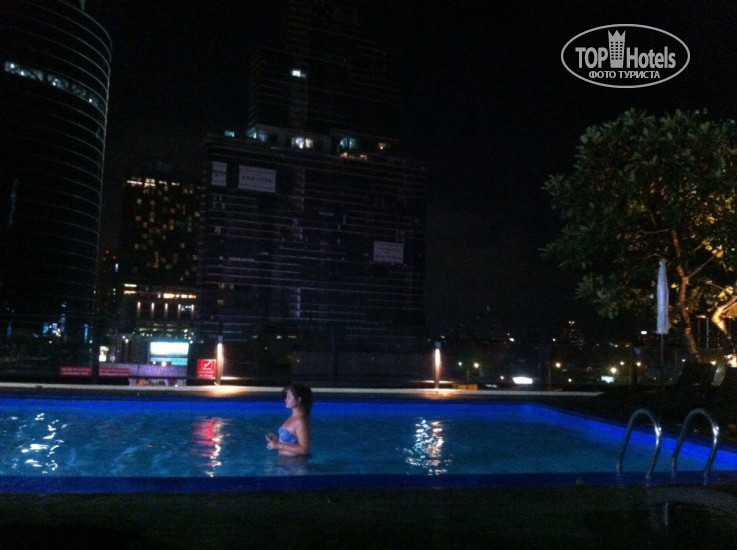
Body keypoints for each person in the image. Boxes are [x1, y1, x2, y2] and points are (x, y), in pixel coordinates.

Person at [266, 383, 312, 456]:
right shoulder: (293, 417)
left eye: (289, 397)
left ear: (299, 399)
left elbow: (304, 449)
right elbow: (292, 437)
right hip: (286, 460)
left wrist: (278, 445)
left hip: (295, 462)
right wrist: (276, 437)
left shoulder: (300, 421)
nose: (286, 399)